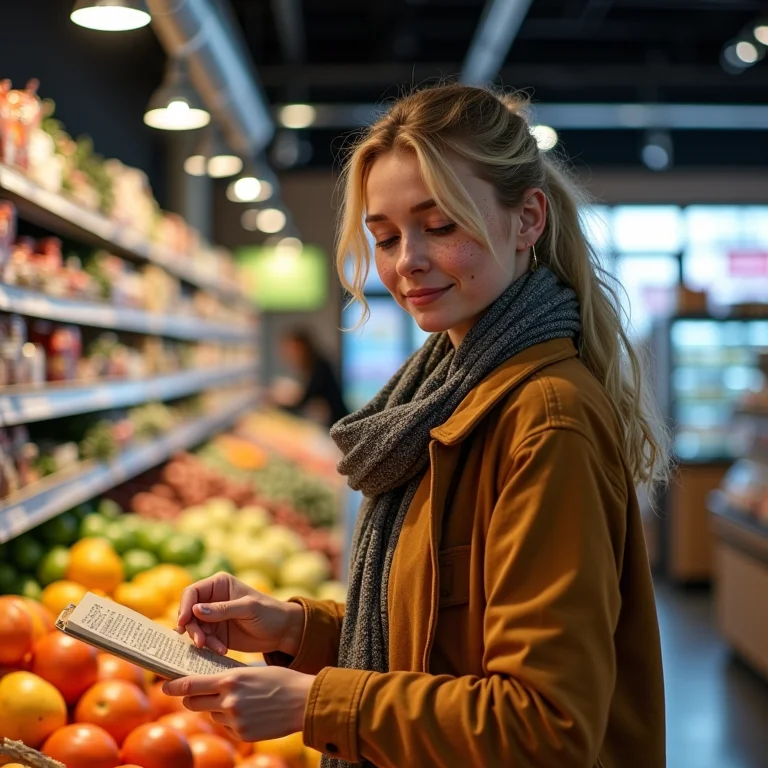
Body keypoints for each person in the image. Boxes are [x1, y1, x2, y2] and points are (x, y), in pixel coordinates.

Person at [165, 83, 670, 768]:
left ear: (527, 219)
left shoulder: (545, 420)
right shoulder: (444, 395)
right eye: (385, 237)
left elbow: (545, 726)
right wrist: (293, 628)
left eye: (441, 226)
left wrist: (316, 702)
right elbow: (431, 635)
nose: (406, 262)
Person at [271, 328, 349, 428]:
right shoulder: (315, 365)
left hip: (339, 421)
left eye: (294, 348)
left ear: (303, 347)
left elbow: (306, 399)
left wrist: (280, 403)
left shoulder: (320, 367)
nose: (290, 353)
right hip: (335, 421)